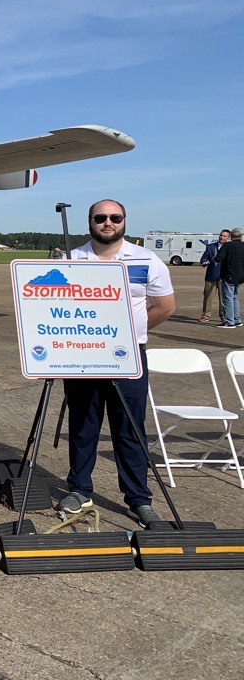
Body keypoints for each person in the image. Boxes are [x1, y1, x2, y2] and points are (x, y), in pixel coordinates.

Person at [60, 200, 175, 526]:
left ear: (124, 221)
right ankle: (80, 489)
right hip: (83, 357)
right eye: (101, 218)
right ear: (90, 222)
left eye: (115, 217)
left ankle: (139, 498)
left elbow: (165, 306)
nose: (107, 223)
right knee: (83, 425)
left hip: (128, 357)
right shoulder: (70, 259)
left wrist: (126, 333)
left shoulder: (146, 259)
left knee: (130, 429)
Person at [215, 227, 244, 329]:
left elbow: (219, 258)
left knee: (228, 298)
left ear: (231, 235)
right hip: (240, 276)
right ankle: (237, 320)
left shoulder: (228, 245)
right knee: (234, 297)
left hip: (229, 275)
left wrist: (214, 258)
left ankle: (230, 321)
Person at [199, 230, 230, 323]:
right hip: (211, 275)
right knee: (208, 297)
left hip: (223, 277)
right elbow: (204, 257)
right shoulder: (210, 247)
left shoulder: (229, 248)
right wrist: (204, 262)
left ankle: (223, 315)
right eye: (221, 235)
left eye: (224, 236)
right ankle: (206, 315)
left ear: (228, 238)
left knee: (224, 298)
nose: (222, 237)